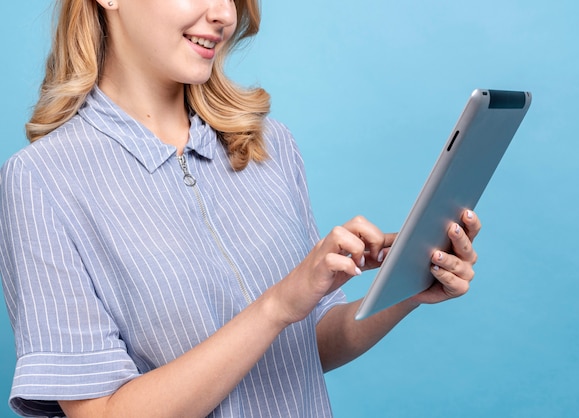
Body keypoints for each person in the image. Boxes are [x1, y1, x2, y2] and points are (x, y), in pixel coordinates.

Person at [0, 0, 481, 417]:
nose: (224, 14)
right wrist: (276, 305)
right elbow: (102, 413)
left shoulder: (270, 146)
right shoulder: (43, 180)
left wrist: (409, 285)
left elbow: (306, 346)